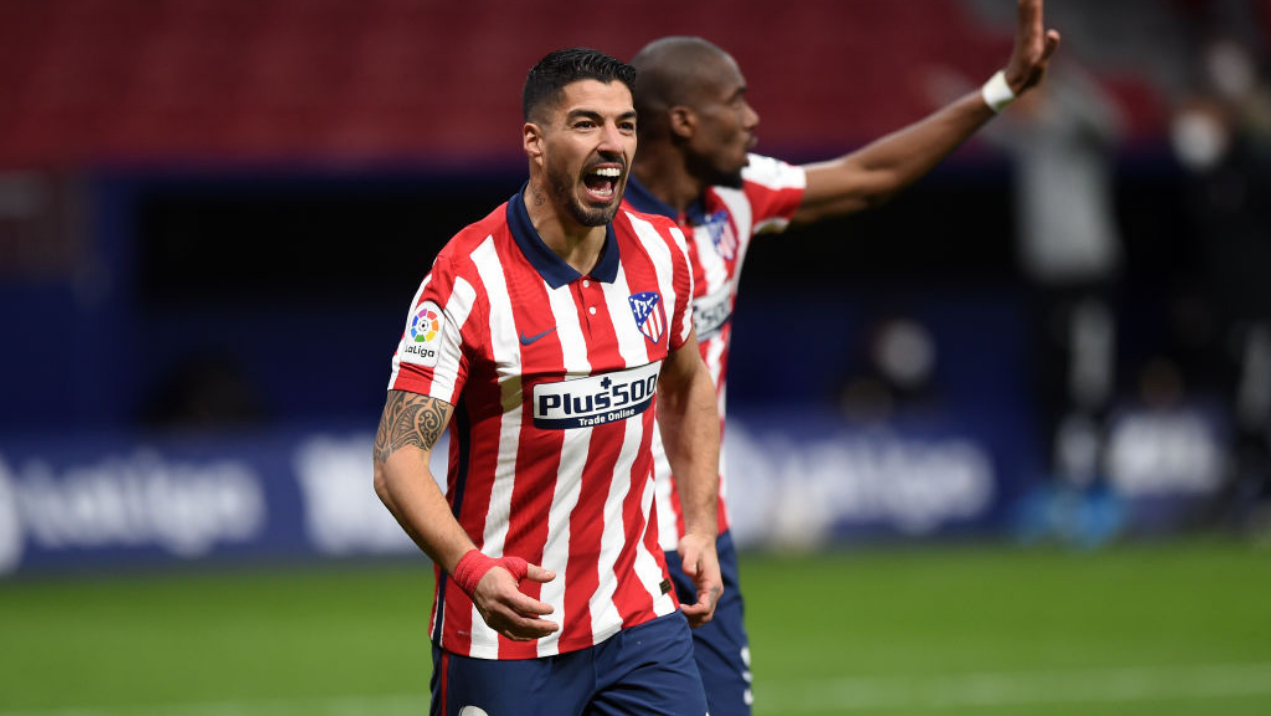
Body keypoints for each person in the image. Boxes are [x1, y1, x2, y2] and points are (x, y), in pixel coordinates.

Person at [621, 2, 1059, 714]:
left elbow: (869, 175)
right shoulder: (594, 229)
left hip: (699, 535)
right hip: (599, 542)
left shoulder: (735, 196)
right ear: (682, 122)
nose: (752, 118)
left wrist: (1000, 90)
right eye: (734, 100)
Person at [372, 48, 722, 716]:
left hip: (638, 616)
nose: (612, 144)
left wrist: (697, 524)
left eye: (625, 125)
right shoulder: (466, 278)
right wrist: (472, 571)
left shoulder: (663, 252)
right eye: (587, 124)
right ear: (535, 140)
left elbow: (686, 383)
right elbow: (396, 459)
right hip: (502, 632)